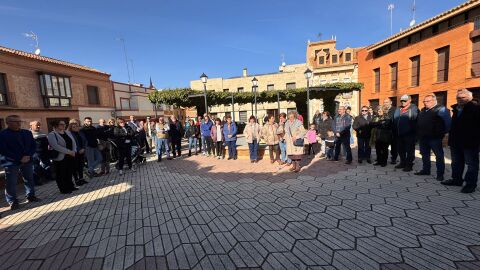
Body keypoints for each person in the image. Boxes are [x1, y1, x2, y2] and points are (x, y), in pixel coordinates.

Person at [442, 89, 480, 193]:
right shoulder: (456, 109)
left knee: (471, 164)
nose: (461, 99)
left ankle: (470, 184)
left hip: (470, 143)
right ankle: (456, 180)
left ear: (470, 98)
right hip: (455, 142)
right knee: (456, 163)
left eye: (464, 97)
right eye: (458, 98)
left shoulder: (476, 109)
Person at [0, 115, 39, 209]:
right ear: (8, 123)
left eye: (19, 121)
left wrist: (28, 155)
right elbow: (3, 150)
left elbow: (33, 146)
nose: (18, 123)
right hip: (11, 162)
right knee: (11, 182)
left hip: (27, 160)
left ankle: (30, 195)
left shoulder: (27, 133)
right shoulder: (2, 134)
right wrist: (19, 158)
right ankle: (13, 201)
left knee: (29, 178)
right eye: (15, 121)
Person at [415, 94, 451, 181]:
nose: (425, 103)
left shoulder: (441, 109)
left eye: (428, 101)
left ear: (434, 101)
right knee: (424, 154)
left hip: (435, 138)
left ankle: (440, 174)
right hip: (423, 137)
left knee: (439, 156)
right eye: (424, 101)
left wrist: (441, 134)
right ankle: (426, 170)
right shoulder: (423, 110)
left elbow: (448, 123)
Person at [48, 120, 77, 194]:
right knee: (61, 173)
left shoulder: (68, 132)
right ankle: (63, 189)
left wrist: (74, 151)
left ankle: (71, 186)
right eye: (62, 124)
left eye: (64, 124)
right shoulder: (52, 134)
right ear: (57, 125)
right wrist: (69, 152)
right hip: (60, 157)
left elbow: (73, 142)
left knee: (69, 171)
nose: (64, 125)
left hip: (71, 156)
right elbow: (56, 146)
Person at [393, 95, 419, 172]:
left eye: (405, 100)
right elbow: (395, 120)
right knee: (400, 150)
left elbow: (416, 122)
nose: (403, 102)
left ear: (410, 100)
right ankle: (402, 162)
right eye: (402, 101)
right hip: (398, 134)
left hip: (409, 134)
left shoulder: (414, 109)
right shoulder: (398, 109)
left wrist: (415, 134)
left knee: (409, 150)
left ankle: (409, 165)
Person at [30, 120, 53, 185]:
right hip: (35, 153)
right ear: (31, 126)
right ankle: (36, 181)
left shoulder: (42, 132)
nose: (38, 126)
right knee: (35, 168)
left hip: (45, 152)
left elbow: (47, 141)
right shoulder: (29, 134)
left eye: (39, 125)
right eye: (37, 125)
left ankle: (48, 177)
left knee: (47, 165)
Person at [68, 119, 88, 186]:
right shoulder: (69, 134)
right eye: (74, 127)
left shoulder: (80, 133)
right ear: (70, 127)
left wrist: (83, 149)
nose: (76, 128)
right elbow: (72, 144)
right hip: (75, 153)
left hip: (82, 152)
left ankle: (81, 179)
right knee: (75, 167)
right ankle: (77, 180)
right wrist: (79, 149)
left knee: (81, 166)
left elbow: (85, 141)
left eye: (77, 126)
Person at [383, 98, 398, 164]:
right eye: (384, 102)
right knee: (384, 146)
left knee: (394, 146)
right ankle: (384, 159)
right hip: (385, 131)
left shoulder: (395, 109)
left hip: (393, 131)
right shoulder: (383, 110)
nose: (385, 104)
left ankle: (393, 158)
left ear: (391, 102)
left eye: (387, 102)